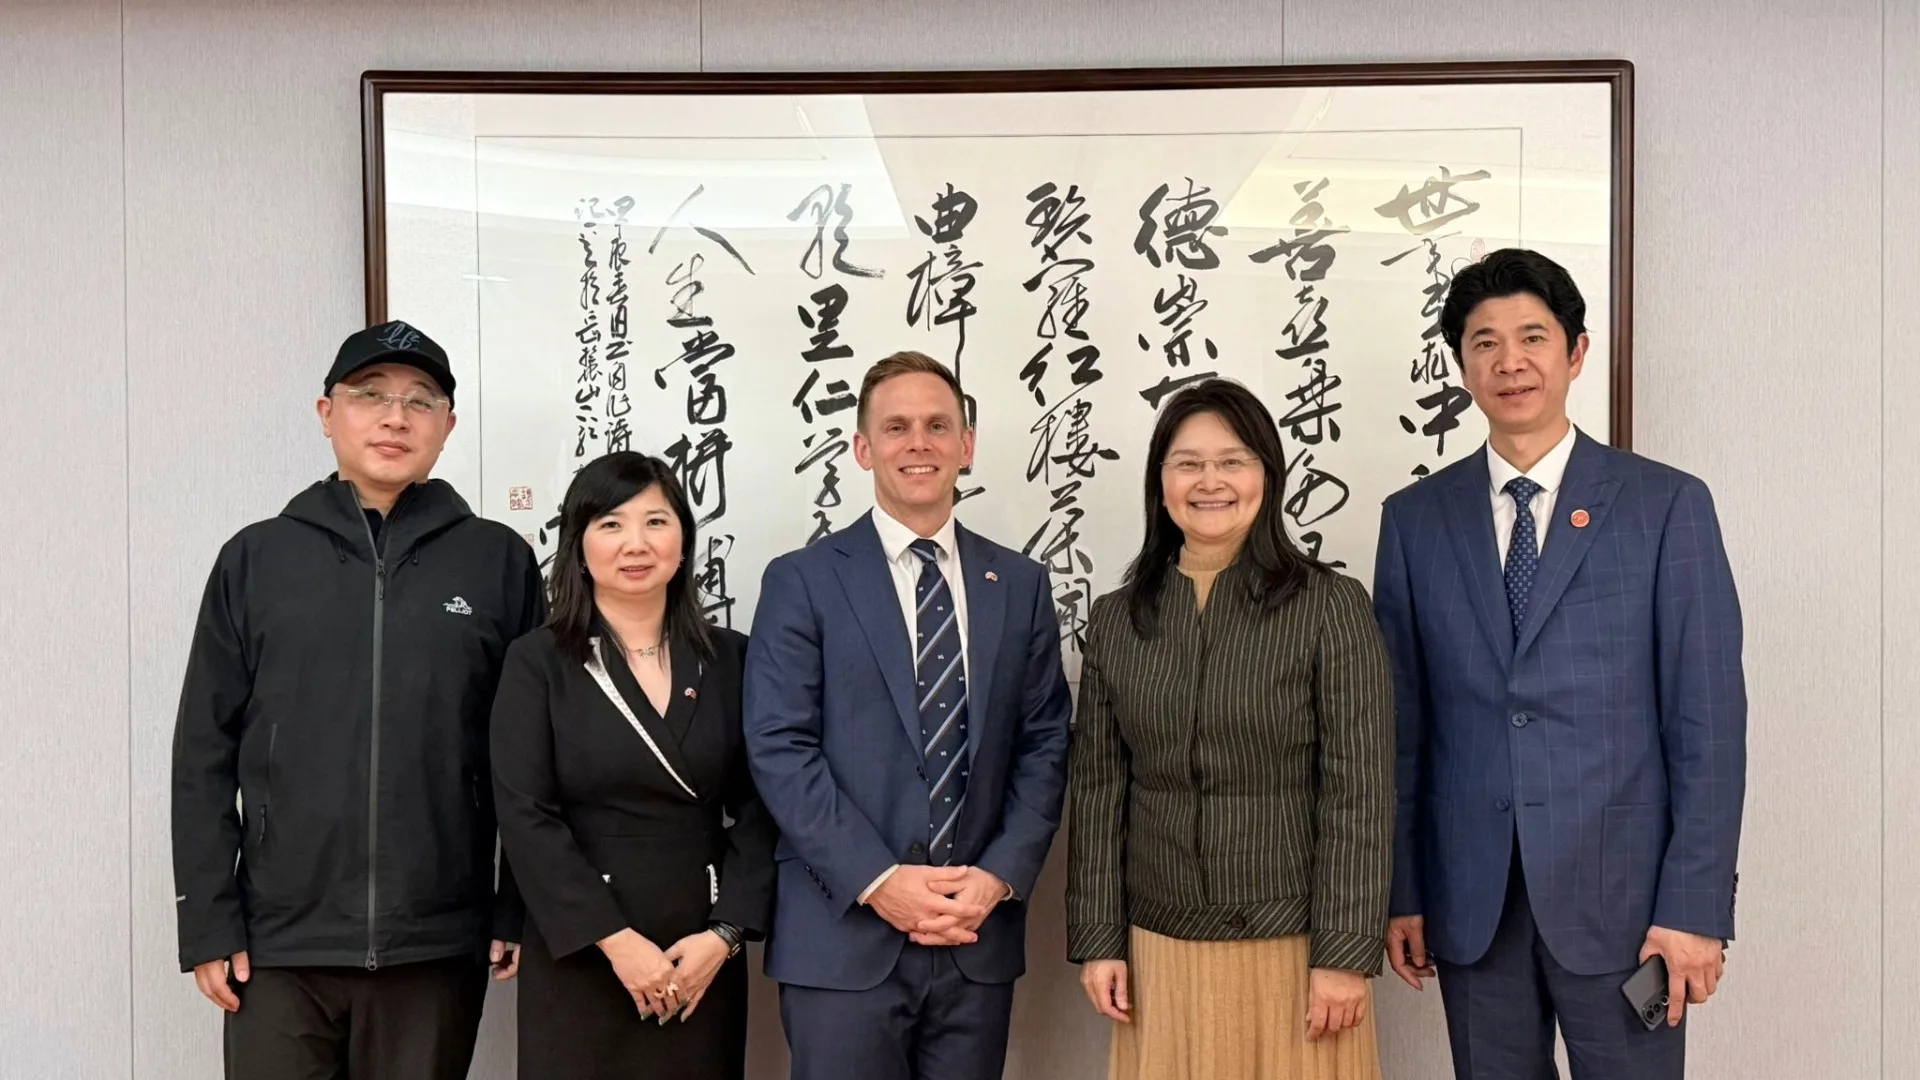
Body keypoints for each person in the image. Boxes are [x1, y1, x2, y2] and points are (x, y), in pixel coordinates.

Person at [1372, 248, 1747, 1079]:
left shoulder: (1665, 506)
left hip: (1631, 916)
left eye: (1533, 337)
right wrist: (1405, 887)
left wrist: (1693, 908)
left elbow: (1708, 726)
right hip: (1473, 905)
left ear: (1576, 353)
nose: (1511, 362)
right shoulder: (1414, 522)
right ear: (1460, 364)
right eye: (1484, 343)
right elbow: (1401, 726)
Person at [170, 320, 543, 1079]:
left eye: (420, 400)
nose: (394, 417)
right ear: (326, 412)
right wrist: (208, 920)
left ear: (449, 426)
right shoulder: (257, 558)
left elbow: (528, 758)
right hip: (279, 946)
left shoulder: (498, 560)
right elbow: (203, 750)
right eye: (370, 395)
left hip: (436, 941)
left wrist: (516, 906)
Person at [743, 350, 1073, 1080]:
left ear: (967, 444)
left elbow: (1045, 742)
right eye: (895, 428)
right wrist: (877, 879)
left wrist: (997, 877)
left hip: (974, 935)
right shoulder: (803, 580)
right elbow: (779, 746)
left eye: (936, 425)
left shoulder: (1017, 583)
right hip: (843, 938)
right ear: (862, 448)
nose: (917, 443)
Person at [1066, 377, 1395, 1080]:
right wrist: (1100, 940)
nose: (1209, 481)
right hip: (1159, 951)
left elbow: (1360, 792)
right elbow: (1098, 791)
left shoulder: (1329, 606)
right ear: (1160, 484)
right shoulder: (1119, 619)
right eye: (1187, 463)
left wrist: (1344, 952)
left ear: (1267, 478)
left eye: (1233, 460)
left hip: (1297, 948)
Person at [489, 451, 776, 1080]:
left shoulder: (732, 658)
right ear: (579, 545)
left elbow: (764, 807)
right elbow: (524, 813)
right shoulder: (538, 662)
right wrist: (615, 941)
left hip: (697, 948)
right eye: (611, 524)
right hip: (583, 946)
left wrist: (725, 935)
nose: (636, 544)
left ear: (683, 541)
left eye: (656, 521)